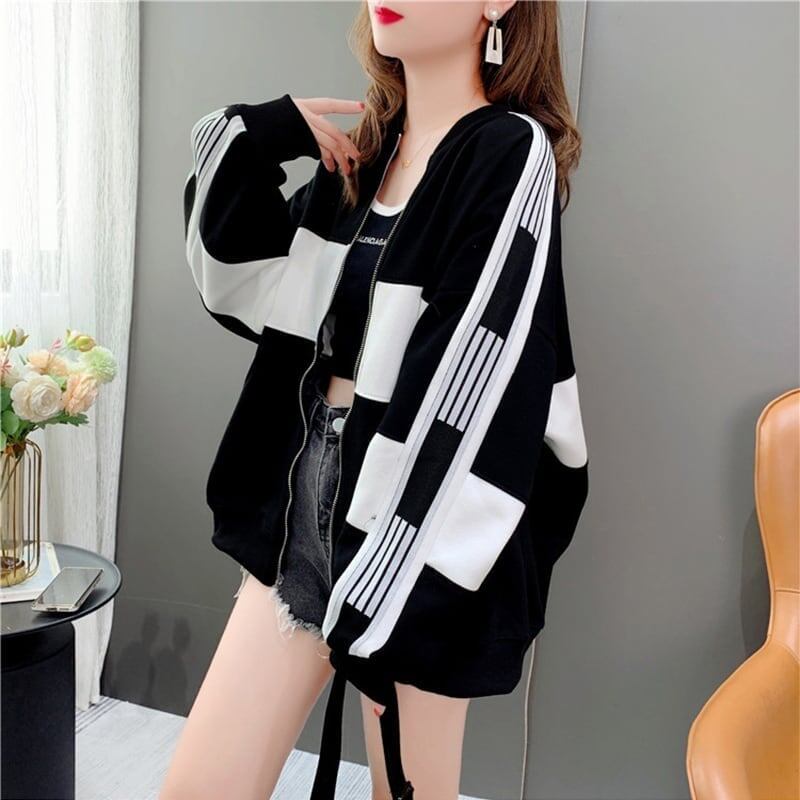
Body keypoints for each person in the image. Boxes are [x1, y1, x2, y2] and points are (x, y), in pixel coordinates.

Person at [163, 2, 588, 798]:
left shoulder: (508, 151)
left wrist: (385, 573)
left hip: (420, 523)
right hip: (305, 500)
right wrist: (261, 133)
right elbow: (237, 283)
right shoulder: (364, 158)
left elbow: (471, 376)